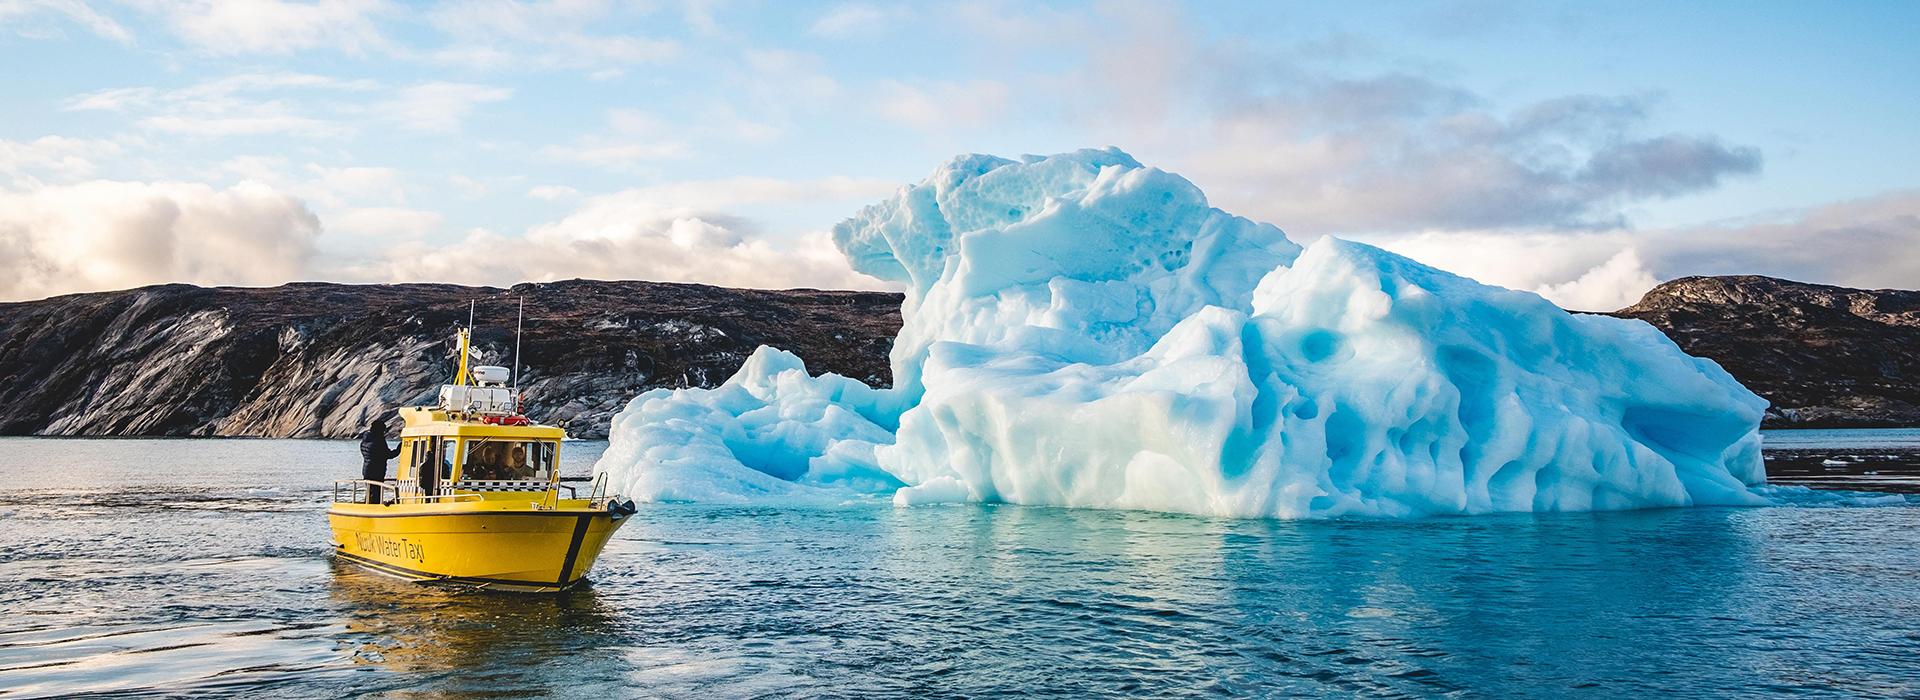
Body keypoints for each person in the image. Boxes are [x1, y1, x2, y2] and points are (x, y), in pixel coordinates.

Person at [359, 416, 402, 504]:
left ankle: (367, 507)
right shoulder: (377, 441)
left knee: (370, 492)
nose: (383, 433)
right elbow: (387, 454)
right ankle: (373, 510)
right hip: (376, 471)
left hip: (367, 469)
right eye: (383, 431)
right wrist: (399, 449)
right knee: (375, 493)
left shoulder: (366, 440)